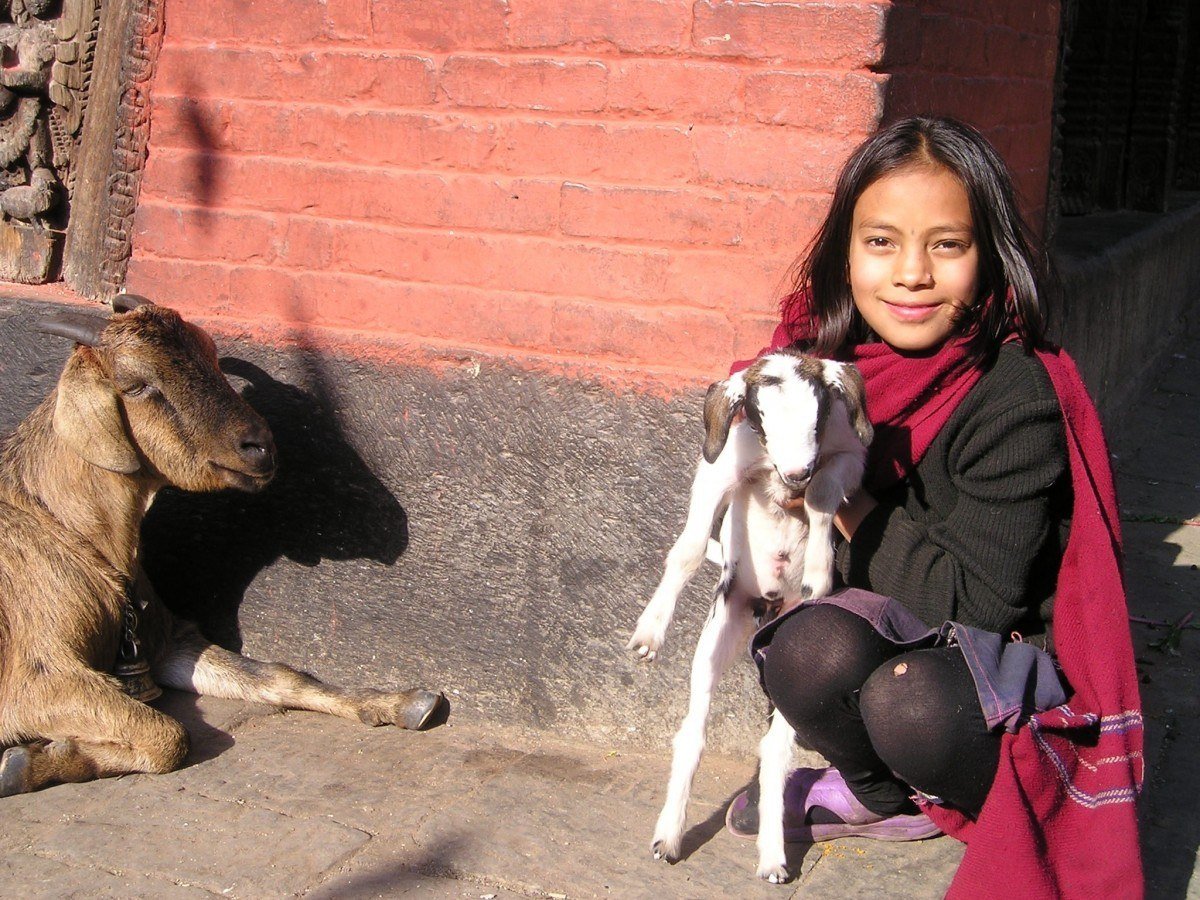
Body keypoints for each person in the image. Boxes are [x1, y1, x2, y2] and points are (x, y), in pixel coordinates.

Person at [722, 117, 1144, 896]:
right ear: (843, 256)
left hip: (988, 659)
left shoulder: (1013, 394)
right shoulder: (816, 367)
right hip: (890, 621)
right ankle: (885, 798)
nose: (912, 272)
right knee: (803, 652)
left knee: (909, 699)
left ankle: (958, 781)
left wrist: (839, 488)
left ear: (989, 259)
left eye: (947, 245)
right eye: (881, 242)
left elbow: (974, 602)